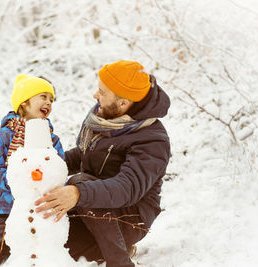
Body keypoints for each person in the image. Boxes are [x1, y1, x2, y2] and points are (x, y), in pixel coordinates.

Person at [35, 60, 171, 267]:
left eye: (102, 92)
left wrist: (78, 193)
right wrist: (46, 163)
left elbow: (127, 188)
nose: (95, 95)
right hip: (93, 209)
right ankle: (106, 248)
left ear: (123, 103)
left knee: (79, 181)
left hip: (130, 216)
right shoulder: (105, 115)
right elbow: (83, 155)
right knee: (51, 245)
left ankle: (119, 260)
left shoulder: (152, 139)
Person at [0, 74, 65, 267]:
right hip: (5, 208)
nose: (48, 102)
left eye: (51, 99)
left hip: (38, 208)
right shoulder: (5, 135)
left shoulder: (52, 139)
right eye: (43, 96)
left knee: (37, 254)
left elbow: (58, 170)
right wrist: (17, 184)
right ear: (24, 103)